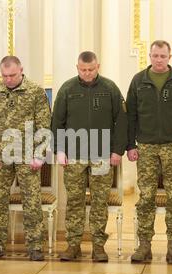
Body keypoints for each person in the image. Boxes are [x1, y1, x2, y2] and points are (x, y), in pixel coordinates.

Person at [126, 40, 172, 264]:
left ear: (169, 57)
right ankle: (144, 245)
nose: (159, 60)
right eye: (155, 55)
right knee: (146, 197)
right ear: (150, 55)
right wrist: (130, 145)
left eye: (163, 56)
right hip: (146, 146)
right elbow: (130, 116)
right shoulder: (139, 81)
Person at [51, 51, 128, 262]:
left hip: (102, 154)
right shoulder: (67, 89)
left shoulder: (110, 88)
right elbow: (57, 122)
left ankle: (98, 247)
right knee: (74, 201)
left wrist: (117, 150)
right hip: (73, 155)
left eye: (91, 69)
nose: (87, 73)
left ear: (98, 66)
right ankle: (73, 245)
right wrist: (59, 149)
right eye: (83, 70)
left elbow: (121, 121)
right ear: (77, 68)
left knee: (99, 201)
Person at [0, 56, 51, 261]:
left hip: (28, 157)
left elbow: (44, 126)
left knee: (32, 202)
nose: (8, 79)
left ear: (21, 70)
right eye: (4, 75)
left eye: (12, 75)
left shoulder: (35, 91)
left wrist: (39, 155)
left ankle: (35, 246)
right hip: (0, 157)